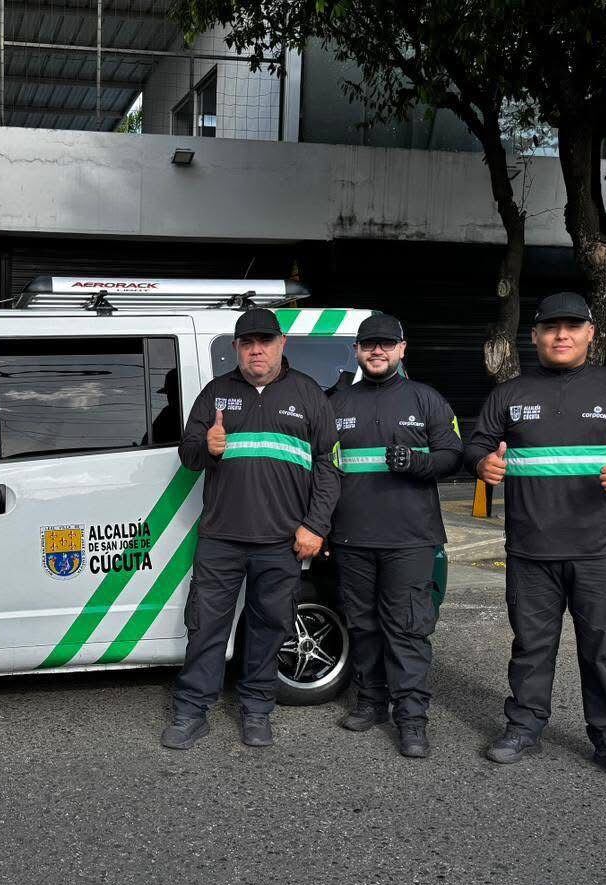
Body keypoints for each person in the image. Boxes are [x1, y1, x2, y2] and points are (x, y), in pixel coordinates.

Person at [464, 292, 606, 785]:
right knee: (531, 648)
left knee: (605, 651)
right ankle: (523, 727)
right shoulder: (509, 395)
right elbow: (476, 443)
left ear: (590, 334)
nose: (562, 335)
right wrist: (481, 463)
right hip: (530, 551)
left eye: (573, 326)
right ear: (535, 335)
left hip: (599, 552)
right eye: (551, 327)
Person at [161, 308, 341, 749]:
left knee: (269, 626)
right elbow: (188, 454)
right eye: (247, 343)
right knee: (206, 626)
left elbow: (328, 467)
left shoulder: (309, 394)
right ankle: (192, 711)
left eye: (265, 341)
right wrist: (207, 446)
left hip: (282, 541)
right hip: (221, 538)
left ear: (282, 344)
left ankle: (257, 709)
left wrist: (315, 526)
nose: (256, 350)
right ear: (236, 348)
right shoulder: (216, 393)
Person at [328, 313, 462, 758]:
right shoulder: (337, 403)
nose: (377, 351)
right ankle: (371, 701)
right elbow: (323, 467)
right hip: (351, 538)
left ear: (402, 349)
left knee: (406, 629)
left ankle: (411, 718)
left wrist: (420, 463)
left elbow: (453, 454)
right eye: (369, 344)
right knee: (362, 626)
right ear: (357, 351)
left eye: (386, 344)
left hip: (410, 539)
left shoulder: (426, 399)